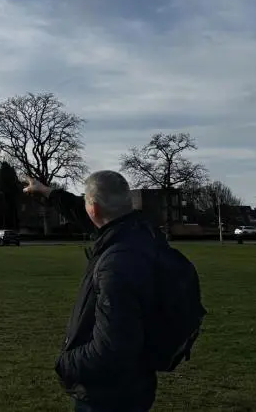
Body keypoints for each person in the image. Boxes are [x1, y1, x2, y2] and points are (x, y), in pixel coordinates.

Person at [24, 170, 160, 412]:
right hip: (138, 382)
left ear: (94, 209)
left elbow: (111, 346)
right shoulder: (138, 232)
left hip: (107, 394)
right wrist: (46, 191)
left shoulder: (117, 263)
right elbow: (80, 209)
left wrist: (66, 363)